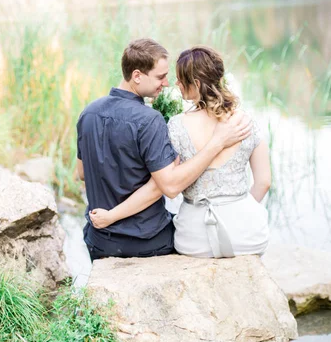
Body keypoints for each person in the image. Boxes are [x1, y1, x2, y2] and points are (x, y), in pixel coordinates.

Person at [77, 39, 252, 261]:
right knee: (195, 237)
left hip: (99, 241)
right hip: (147, 242)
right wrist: (217, 142)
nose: (167, 83)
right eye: (160, 77)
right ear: (137, 76)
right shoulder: (149, 120)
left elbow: (82, 173)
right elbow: (166, 186)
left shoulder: (88, 113)